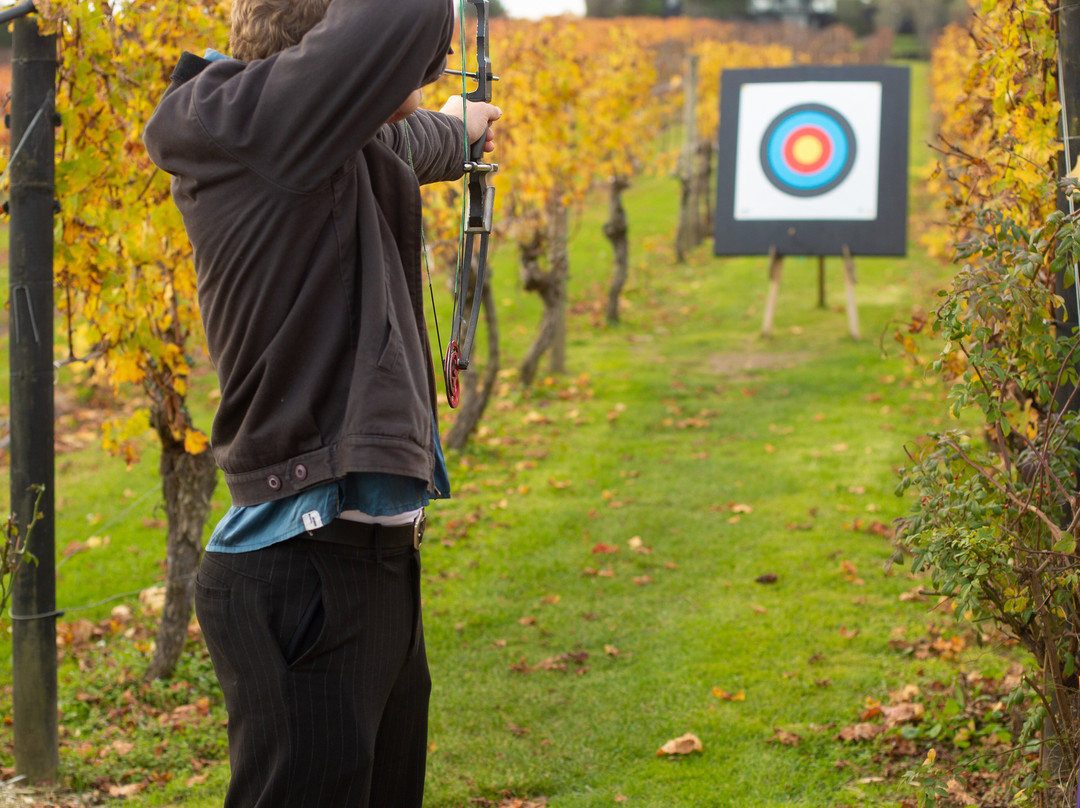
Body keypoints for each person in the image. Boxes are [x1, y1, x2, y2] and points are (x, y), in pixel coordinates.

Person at [143, 0, 502, 805]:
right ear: (325, 56)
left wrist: (458, 124)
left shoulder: (309, 146)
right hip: (306, 569)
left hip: (361, 562)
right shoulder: (263, 127)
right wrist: (418, 77)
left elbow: (401, 142)